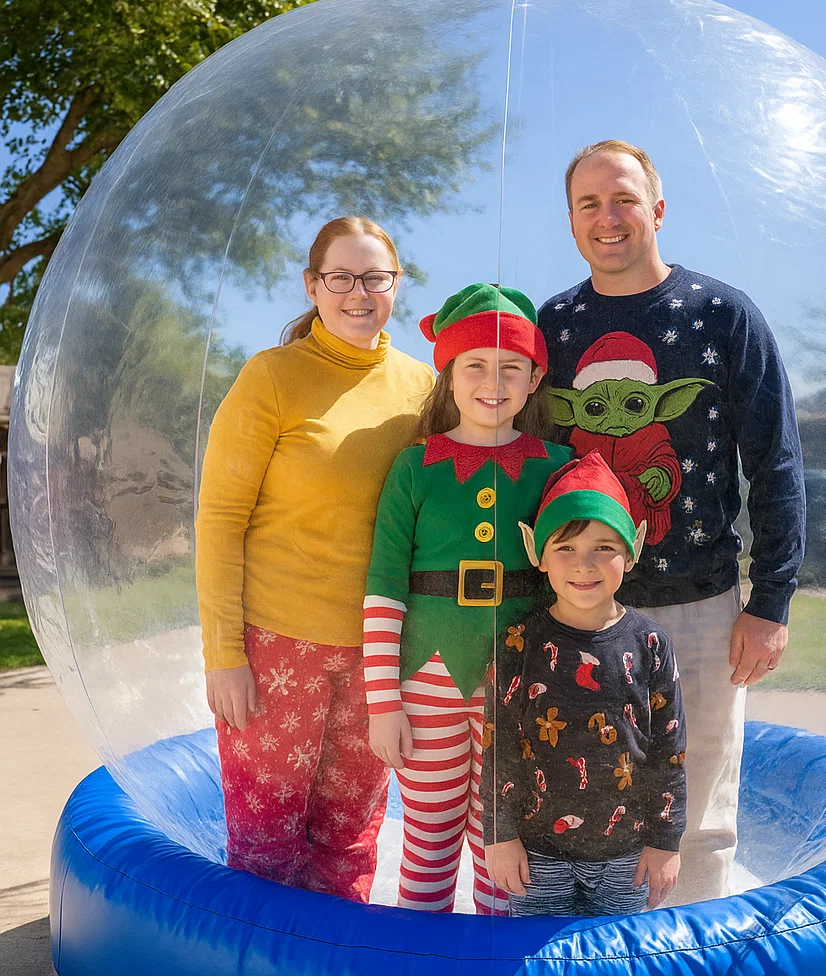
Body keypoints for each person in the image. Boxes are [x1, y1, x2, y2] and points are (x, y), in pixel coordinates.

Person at [538, 140, 805, 903]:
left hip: (702, 608)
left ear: (657, 209)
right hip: (577, 613)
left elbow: (775, 465)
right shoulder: (551, 327)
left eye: (624, 198)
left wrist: (769, 603)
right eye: (589, 203)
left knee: (697, 824)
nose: (608, 216)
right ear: (571, 221)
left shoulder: (721, 315)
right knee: (582, 810)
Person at [196, 216, 434, 902]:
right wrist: (223, 655)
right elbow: (218, 521)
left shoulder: (423, 389)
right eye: (341, 277)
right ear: (313, 285)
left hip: (379, 654)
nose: (359, 292)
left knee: (351, 847)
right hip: (275, 651)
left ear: (397, 286)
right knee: (266, 850)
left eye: (375, 277)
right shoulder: (271, 377)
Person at [361, 283, 572, 914]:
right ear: (448, 374)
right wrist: (382, 704)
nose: (493, 381)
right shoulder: (414, 467)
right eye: (474, 365)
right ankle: (423, 959)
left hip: (521, 684)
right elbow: (383, 588)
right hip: (426, 679)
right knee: (428, 839)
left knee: (504, 841)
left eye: (512, 368)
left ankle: (491, 958)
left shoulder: (556, 466)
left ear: (535, 379)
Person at [482, 451, 686, 917]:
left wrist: (665, 840)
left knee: (619, 962)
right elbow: (499, 750)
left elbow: (669, 751)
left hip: (627, 854)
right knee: (535, 964)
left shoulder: (651, 644)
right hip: (538, 854)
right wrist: (500, 835)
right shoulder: (517, 643)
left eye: (603, 547)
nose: (585, 564)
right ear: (537, 553)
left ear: (631, 551)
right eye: (566, 548)